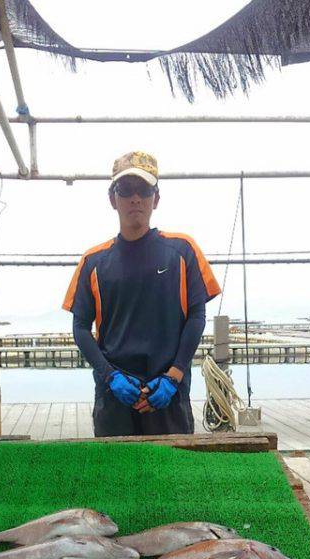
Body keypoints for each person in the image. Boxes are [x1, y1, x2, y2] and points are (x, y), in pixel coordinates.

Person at [62, 151, 221, 437]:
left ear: (155, 199)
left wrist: (174, 375)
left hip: (168, 395)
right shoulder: (93, 261)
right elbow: (80, 326)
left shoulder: (183, 250)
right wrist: (110, 376)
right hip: (114, 397)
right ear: (113, 199)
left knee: (174, 466)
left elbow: (197, 315)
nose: (135, 198)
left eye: (144, 190)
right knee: (114, 467)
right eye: (126, 189)